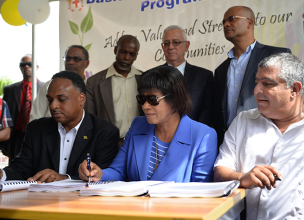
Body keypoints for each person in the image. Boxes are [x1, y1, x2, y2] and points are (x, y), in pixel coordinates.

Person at [214, 53, 304, 219]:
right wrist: (243, 178)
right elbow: (220, 171)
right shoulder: (243, 122)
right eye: (256, 82)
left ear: (294, 90)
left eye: (267, 83)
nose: (257, 90)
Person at [79, 66, 217, 182]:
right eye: (142, 99)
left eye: (152, 99)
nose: (145, 106)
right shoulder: (138, 125)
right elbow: (118, 171)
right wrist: (99, 174)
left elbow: (201, 192)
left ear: (175, 99)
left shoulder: (203, 136)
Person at [0, 71, 119, 183]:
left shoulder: (105, 132)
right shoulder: (36, 129)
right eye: (50, 100)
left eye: (61, 99)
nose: (53, 106)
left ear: (81, 98)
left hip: (83, 206)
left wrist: (65, 179)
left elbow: (102, 178)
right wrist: (1, 174)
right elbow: (22, 168)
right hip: (39, 204)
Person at [213, 6, 292, 147]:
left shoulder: (278, 56)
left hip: (269, 140)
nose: (225, 24)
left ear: (249, 23)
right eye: (223, 22)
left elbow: (290, 99)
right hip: (230, 144)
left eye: (231, 19)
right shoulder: (220, 70)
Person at [85, 35, 142, 143]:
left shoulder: (144, 79)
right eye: (123, 52)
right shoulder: (94, 82)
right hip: (109, 146)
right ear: (115, 50)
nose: (126, 57)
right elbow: (89, 121)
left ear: (136, 56)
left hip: (140, 144)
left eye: (132, 54)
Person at [158, 25, 214, 126]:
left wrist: (194, 134)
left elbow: (208, 111)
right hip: (160, 137)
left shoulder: (204, 76)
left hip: (194, 136)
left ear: (186, 46)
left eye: (176, 42)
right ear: (162, 47)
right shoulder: (151, 76)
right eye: (166, 43)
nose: (170, 47)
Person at [29, 45, 90, 121]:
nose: (70, 62)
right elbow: (35, 116)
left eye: (76, 59)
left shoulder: (91, 87)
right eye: (67, 58)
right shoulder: (49, 86)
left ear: (87, 63)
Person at [3, 54, 43, 161]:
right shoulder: (9, 90)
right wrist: (4, 145)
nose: (26, 67)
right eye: (23, 64)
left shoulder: (45, 89)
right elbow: (4, 117)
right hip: (16, 137)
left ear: (37, 67)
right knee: (14, 170)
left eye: (30, 64)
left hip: (37, 137)